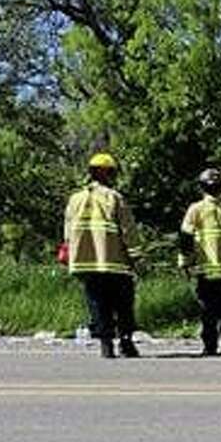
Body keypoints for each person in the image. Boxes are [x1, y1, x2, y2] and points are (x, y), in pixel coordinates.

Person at [64, 152, 141, 359]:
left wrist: (71, 256)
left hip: (85, 265)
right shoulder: (114, 198)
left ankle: (105, 344)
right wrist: (136, 257)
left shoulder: (75, 199)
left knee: (97, 304)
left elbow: (68, 231)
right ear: (106, 173)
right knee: (123, 304)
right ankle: (126, 342)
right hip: (115, 263)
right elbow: (128, 231)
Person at [179, 167, 221, 356]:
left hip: (205, 271)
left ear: (201, 187)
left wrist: (185, 261)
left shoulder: (195, 210)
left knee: (208, 311)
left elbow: (185, 238)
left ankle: (210, 346)